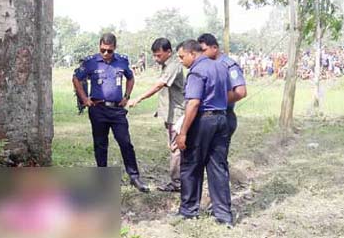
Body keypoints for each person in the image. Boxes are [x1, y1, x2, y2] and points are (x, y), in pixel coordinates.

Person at [72, 33, 149, 193]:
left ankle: (134, 177)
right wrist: (84, 99)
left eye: (109, 50)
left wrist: (127, 96)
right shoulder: (91, 62)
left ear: (115, 48)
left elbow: (130, 78)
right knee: (100, 144)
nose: (106, 53)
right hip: (98, 109)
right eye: (103, 50)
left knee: (125, 142)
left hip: (117, 110)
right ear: (99, 47)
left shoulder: (122, 60)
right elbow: (76, 78)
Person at [175, 40, 232, 225]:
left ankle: (188, 210)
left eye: (182, 57)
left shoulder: (196, 71)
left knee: (191, 164)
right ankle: (224, 215)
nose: (181, 61)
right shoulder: (221, 67)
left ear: (193, 53)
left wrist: (183, 133)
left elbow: (193, 103)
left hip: (203, 121)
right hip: (222, 119)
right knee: (218, 167)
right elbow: (229, 93)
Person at [127, 38, 184, 192]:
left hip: (177, 115)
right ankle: (180, 181)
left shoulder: (174, 66)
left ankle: (177, 183)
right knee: (174, 147)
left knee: (176, 148)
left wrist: (138, 98)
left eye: (159, 55)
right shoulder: (167, 65)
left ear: (168, 52)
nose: (156, 59)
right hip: (169, 114)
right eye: (154, 55)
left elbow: (160, 85)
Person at [197, 33, 247, 152]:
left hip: (223, 116)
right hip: (206, 118)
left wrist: (215, 100)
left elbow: (241, 92)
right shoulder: (205, 65)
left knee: (218, 160)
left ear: (214, 48)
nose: (201, 54)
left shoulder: (228, 65)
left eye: (204, 50)